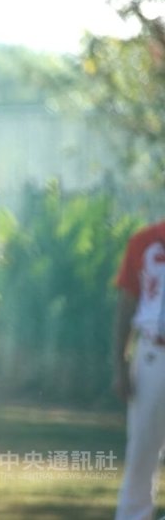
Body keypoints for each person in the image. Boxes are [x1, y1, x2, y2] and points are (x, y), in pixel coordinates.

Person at [114, 219, 165, 520]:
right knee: (142, 454)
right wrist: (119, 364)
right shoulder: (144, 240)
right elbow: (126, 303)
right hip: (153, 355)